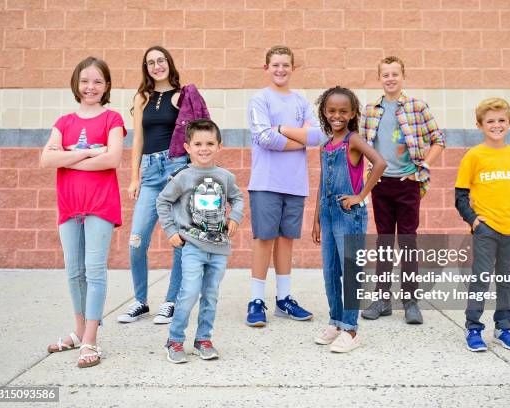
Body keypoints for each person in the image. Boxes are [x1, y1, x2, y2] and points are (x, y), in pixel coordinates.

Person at [282, 86, 387, 352]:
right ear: (324, 112)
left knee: (351, 272)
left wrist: (360, 195)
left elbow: (380, 163)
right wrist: (317, 218)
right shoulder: (326, 144)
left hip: (349, 216)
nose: (336, 115)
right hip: (328, 215)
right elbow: (322, 183)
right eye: (331, 111)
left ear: (352, 113)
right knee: (330, 273)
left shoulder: (353, 140)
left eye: (343, 111)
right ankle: (336, 322)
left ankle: (351, 330)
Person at [41, 57, 126, 368]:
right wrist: (90, 151)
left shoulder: (112, 119)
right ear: (77, 83)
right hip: (69, 205)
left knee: (94, 270)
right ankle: (77, 331)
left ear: (106, 86)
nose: (91, 87)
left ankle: (90, 338)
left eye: (98, 82)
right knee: (74, 271)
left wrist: (66, 158)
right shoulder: (63, 122)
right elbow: (45, 161)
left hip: (100, 204)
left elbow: (113, 159)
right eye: (86, 81)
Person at [118, 46, 208, 325]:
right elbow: (138, 141)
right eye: (151, 63)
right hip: (150, 171)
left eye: (161, 61)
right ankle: (140, 301)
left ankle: (171, 301)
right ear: (146, 68)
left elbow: (197, 133)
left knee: (179, 240)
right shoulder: (142, 97)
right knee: (136, 241)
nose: (157, 66)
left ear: (169, 63)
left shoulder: (183, 96)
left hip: (176, 169)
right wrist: (134, 177)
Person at [359, 56, 445, 324]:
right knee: (384, 242)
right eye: (385, 74)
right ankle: (382, 299)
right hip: (381, 184)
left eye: (395, 74)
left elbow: (438, 140)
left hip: (408, 184)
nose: (390, 78)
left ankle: (410, 301)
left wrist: (422, 169)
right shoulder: (370, 109)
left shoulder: (417, 107)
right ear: (380, 78)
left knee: (408, 242)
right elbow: (361, 145)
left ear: (403, 76)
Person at [245, 45, 324, 327]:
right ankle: (256, 301)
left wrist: (282, 129)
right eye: (275, 65)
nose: (280, 69)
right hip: (266, 182)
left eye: (285, 65)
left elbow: (318, 136)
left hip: (294, 184)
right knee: (264, 239)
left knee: (286, 240)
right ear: (266, 68)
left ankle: (284, 299)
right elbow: (264, 138)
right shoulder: (259, 100)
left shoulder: (302, 101)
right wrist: (298, 138)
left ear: (293, 68)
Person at [156, 119, 244, 363]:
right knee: (189, 292)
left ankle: (203, 338)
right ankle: (174, 340)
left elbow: (238, 198)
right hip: (192, 246)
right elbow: (162, 202)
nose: (204, 148)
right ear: (187, 147)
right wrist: (171, 230)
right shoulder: (183, 177)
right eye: (198, 144)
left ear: (219, 146)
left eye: (209, 143)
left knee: (211, 295)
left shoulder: (224, 176)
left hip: (219, 247)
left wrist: (235, 217)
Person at [455, 97, 510, 352]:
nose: (496, 125)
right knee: (481, 278)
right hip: (487, 229)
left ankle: (504, 327)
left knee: (507, 280)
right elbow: (460, 195)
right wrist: (474, 220)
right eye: (490, 121)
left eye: (501, 120)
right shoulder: (474, 155)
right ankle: (473, 327)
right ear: (480, 125)